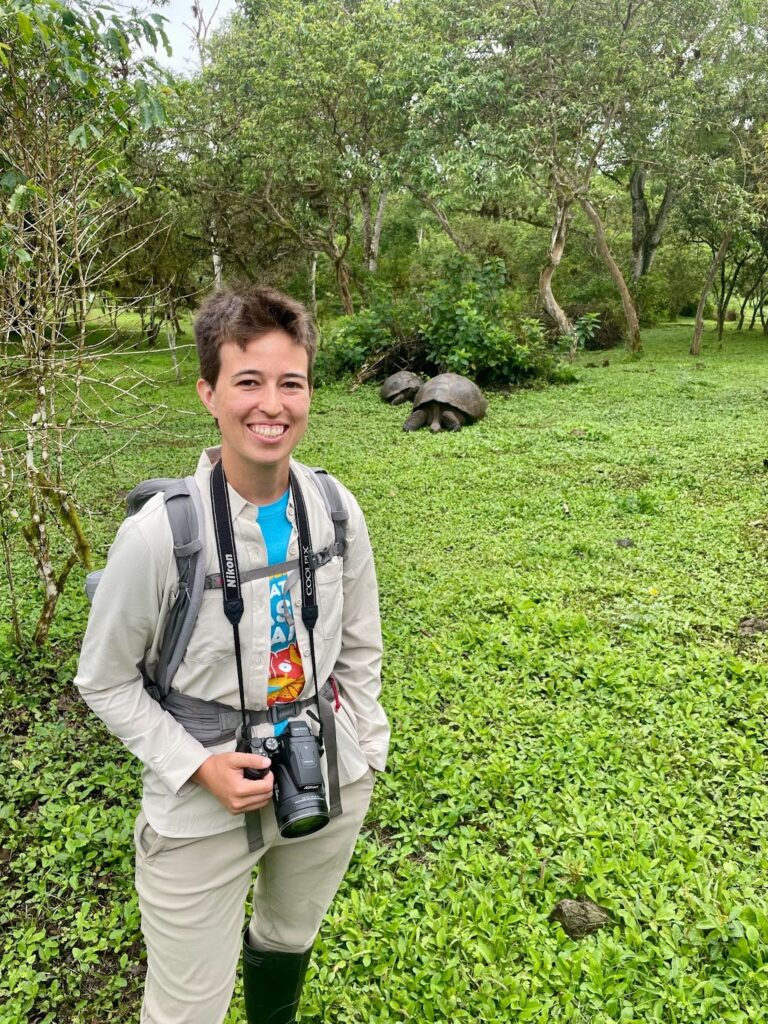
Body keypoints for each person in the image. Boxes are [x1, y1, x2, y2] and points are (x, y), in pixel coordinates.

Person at [74, 285, 390, 1024]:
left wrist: (365, 742)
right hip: (200, 804)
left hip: (325, 776)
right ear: (208, 393)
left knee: (288, 936)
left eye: (291, 382)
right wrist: (197, 765)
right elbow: (105, 679)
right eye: (247, 382)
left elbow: (361, 643)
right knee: (187, 1009)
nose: (271, 405)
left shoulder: (334, 507)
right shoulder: (160, 535)